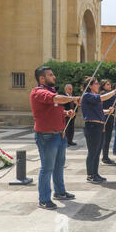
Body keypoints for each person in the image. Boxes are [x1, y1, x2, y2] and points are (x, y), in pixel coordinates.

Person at [30, 66, 79, 210]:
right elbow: (55, 99)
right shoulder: (38, 92)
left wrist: (66, 113)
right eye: (51, 75)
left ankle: (60, 192)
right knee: (47, 168)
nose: (54, 77)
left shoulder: (51, 91)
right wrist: (73, 98)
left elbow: (54, 108)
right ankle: (44, 199)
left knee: (59, 166)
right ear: (42, 78)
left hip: (59, 134)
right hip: (47, 136)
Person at [81, 77, 116, 183]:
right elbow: (102, 98)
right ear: (90, 86)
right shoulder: (87, 95)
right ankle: (90, 175)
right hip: (92, 126)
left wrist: (108, 111)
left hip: (99, 126)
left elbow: (99, 110)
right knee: (93, 152)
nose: (98, 85)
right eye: (96, 84)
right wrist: (114, 92)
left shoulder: (94, 97)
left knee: (97, 152)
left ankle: (95, 173)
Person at [100, 80, 116, 165]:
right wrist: (115, 92)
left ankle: (105, 156)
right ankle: (105, 157)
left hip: (109, 116)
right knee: (106, 138)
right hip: (106, 116)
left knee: (108, 138)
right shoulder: (104, 94)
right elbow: (114, 98)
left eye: (110, 84)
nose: (110, 85)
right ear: (103, 86)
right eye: (108, 84)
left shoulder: (107, 93)